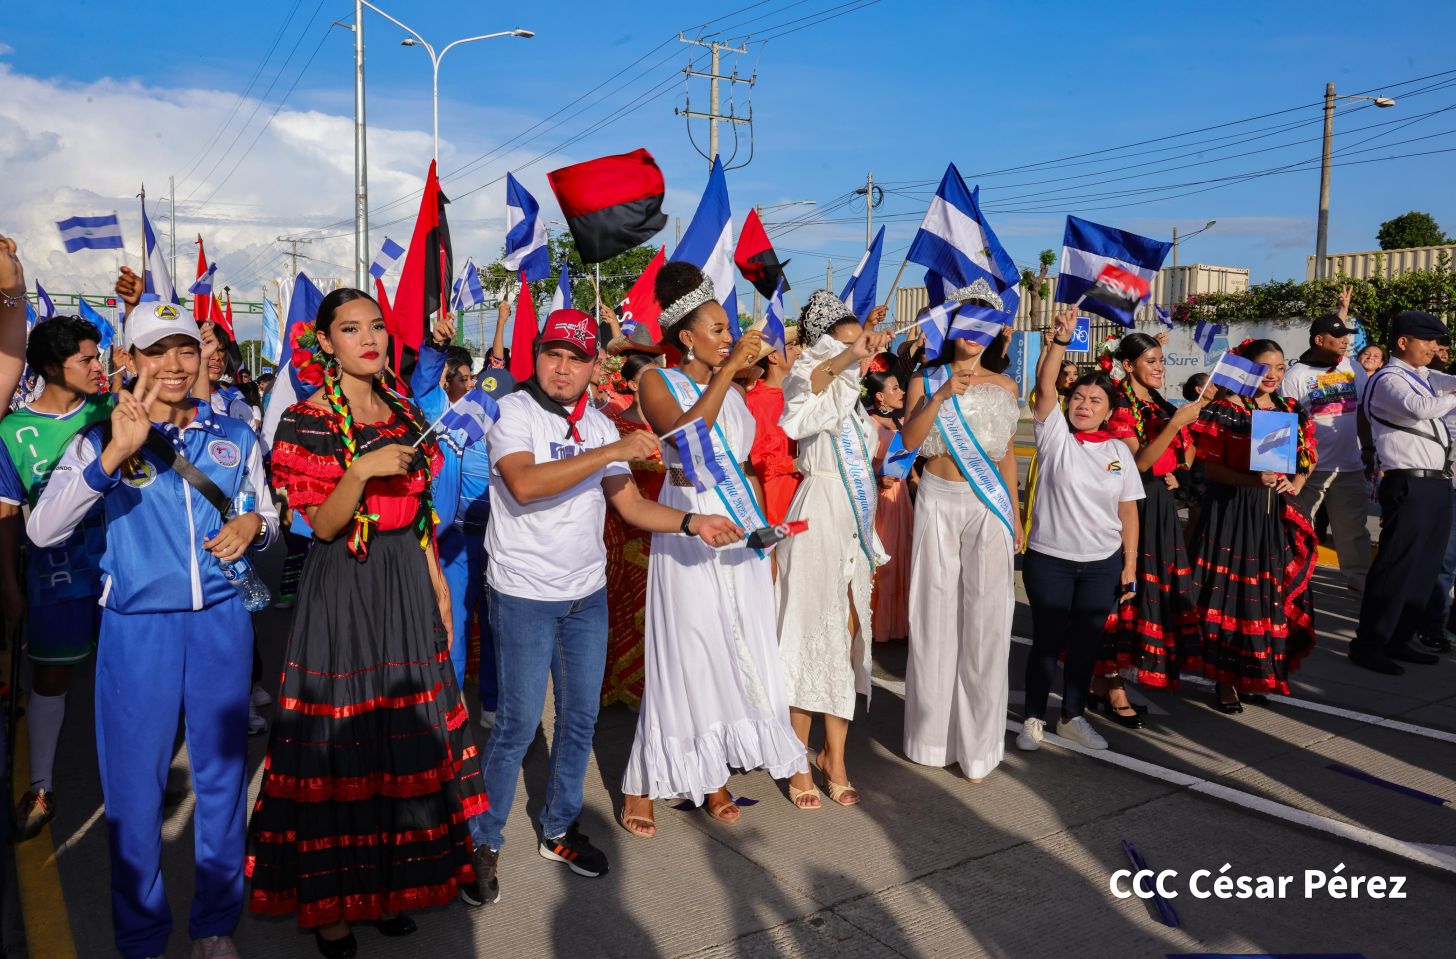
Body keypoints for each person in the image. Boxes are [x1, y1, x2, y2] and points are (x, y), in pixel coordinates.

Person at [28, 301, 277, 959]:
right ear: (129, 362)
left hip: (223, 627)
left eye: (185, 349)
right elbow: (42, 528)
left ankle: (215, 925)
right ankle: (140, 935)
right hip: (137, 630)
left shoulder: (236, 434)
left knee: (223, 782)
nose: (174, 364)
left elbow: (266, 513)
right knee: (135, 789)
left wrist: (254, 525)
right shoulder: (96, 437)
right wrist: (115, 452)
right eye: (156, 351)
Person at [245, 289, 486, 957]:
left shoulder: (406, 408)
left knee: (398, 734)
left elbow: (421, 519)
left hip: (406, 581)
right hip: (345, 583)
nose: (369, 338)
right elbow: (320, 524)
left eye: (377, 325)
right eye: (351, 329)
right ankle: (331, 909)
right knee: (340, 737)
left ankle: (385, 889)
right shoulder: (303, 419)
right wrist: (360, 468)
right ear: (325, 342)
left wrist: (437, 584)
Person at [477, 305, 742, 866]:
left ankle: (558, 830)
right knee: (520, 725)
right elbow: (524, 483)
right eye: (554, 355)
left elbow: (632, 505)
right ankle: (484, 840)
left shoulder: (597, 424)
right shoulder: (514, 412)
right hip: (523, 592)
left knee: (579, 720)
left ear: (594, 364)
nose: (563, 369)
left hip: (584, 595)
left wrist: (695, 524)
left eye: (577, 359)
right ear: (538, 356)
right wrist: (616, 449)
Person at [619, 263, 806, 833]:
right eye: (719, 329)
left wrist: (762, 536)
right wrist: (728, 372)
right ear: (687, 338)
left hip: (739, 527)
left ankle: (712, 775)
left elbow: (745, 464)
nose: (730, 338)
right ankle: (642, 782)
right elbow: (686, 441)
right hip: (687, 523)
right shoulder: (659, 380)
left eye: (729, 330)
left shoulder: (734, 386)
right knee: (687, 651)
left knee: (734, 649)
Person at [899, 279, 1021, 783]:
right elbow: (907, 441)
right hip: (937, 497)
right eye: (965, 322)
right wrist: (943, 392)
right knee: (933, 614)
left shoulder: (1006, 386)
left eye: (984, 324)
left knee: (986, 621)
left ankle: (979, 745)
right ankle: (930, 738)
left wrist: (1014, 512)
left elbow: (1008, 453)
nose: (973, 334)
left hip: (987, 503)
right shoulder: (926, 379)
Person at [776, 291, 892, 808]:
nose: (860, 350)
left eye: (861, 342)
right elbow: (804, 409)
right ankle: (797, 755)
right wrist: (849, 355)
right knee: (807, 631)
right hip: (816, 508)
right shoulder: (808, 378)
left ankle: (835, 756)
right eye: (848, 341)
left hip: (851, 517)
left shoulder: (855, 396)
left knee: (845, 636)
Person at [0, 315, 111, 841]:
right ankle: (41, 783)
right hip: (54, 575)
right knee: (52, 679)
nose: (98, 367)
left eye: (98, 356)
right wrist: (8, 583)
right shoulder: (12, 431)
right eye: (86, 360)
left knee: (124, 675)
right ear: (49, 368)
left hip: (118, 571)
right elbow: (5, 515)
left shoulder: (112, 411)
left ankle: (133, 774)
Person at [1016, 308, 1144, 753]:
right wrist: (1058, 342)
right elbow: (1047, 384)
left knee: (1086, 645)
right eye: (1079, 398)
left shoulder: (1117, 451)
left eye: (1095, 401)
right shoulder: (1054, 435)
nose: (1084, 405)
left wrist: (1128, 563)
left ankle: (1072, 717)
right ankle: (1032, 718)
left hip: (1101, 564)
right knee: (1047, 643)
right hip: (1049, 558)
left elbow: (1128, 512)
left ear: (1108, 411)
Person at [1187, 339, 1318, 710]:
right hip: (1231, 511)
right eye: (1264, 368)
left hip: (1272, 512)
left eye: (1279, 367)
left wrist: (1295, 484)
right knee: (1229, 594)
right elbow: (1210, 468)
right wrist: (1251, 481)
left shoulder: (1289, 408)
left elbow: (1305, 458)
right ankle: (1225, 680)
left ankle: (1252, 674)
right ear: (1246, 369)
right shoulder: (1226, 410)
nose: (1273, 375)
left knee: (1264, 595)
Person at [1097, 332, 1206, 721]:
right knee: (1124, 593)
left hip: (1158, 505)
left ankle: (1108, 680)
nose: (1160, 367)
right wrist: (1176, 424)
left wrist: (1176, 468)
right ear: (1129, 365)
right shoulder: (1121, 405)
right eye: (1152, 361)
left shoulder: (1156, 401)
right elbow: (1137, 464)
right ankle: (1111, 686)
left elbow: (1177, 457)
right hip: (1132, 508)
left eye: (1162, 360)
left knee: (1148, 591)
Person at [1350, 311, 1456, 675]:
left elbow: (1445, 382)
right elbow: (1420, 408)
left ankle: (1401, 637)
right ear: (1402, 342)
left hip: (1437, 482)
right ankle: (1370, 642)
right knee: (1397, 564)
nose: (1433, 348)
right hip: (1409, 481)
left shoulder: (1423, 376)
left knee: (1425, 566)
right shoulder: (1389, 378)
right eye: (1426, 341)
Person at [412, 314, 497, 726]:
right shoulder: (433, 412)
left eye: (471, 377)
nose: (468, 384)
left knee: (495, 623)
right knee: (455, 624)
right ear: (447, 379)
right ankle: (452, 704)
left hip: (496, 539)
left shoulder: (491, 412)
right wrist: (434, 345)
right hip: (453, 540)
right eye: (460, 377)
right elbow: (424, 379)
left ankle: (494, 706)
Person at [1280, 301, 1372, 592]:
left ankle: (1360, 586)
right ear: (1319, 341)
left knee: (1353, 532)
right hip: (1310, 470)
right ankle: (1290, 582)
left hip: (1349, 468)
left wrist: (1367, 449)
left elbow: (1361, 413)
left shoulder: (1352, 367)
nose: (1345, 343)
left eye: (1347, 337)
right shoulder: (1295, 377)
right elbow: (1288, 424)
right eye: (1338, 338)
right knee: (1296, 528)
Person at [601, 352, 666, 709]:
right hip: (627, 532)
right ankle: (626, 686)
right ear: (630, 385)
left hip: (667, 527)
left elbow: (684, 475)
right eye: (649, 379)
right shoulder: (612, 428)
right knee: (629, 609)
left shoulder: (668, 425)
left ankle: (655, 686)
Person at [864, 362, 911, 644]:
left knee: (901, 556)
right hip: (878, 495)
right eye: (894, 388)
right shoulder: (868, 422)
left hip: (900, 494)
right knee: (883, 562)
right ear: (879, 396)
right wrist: (876, 476)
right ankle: (876, 623)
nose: (901, 392)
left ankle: (898, 623)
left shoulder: (902, 421)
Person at [744, 331, 802, 526]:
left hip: (805, 494)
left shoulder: (802, 395)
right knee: (775, 551)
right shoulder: (754, 401)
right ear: (773, 356)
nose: (799, 351)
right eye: (791, 346)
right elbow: (751, 460)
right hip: (773, 499)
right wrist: (791, 464)